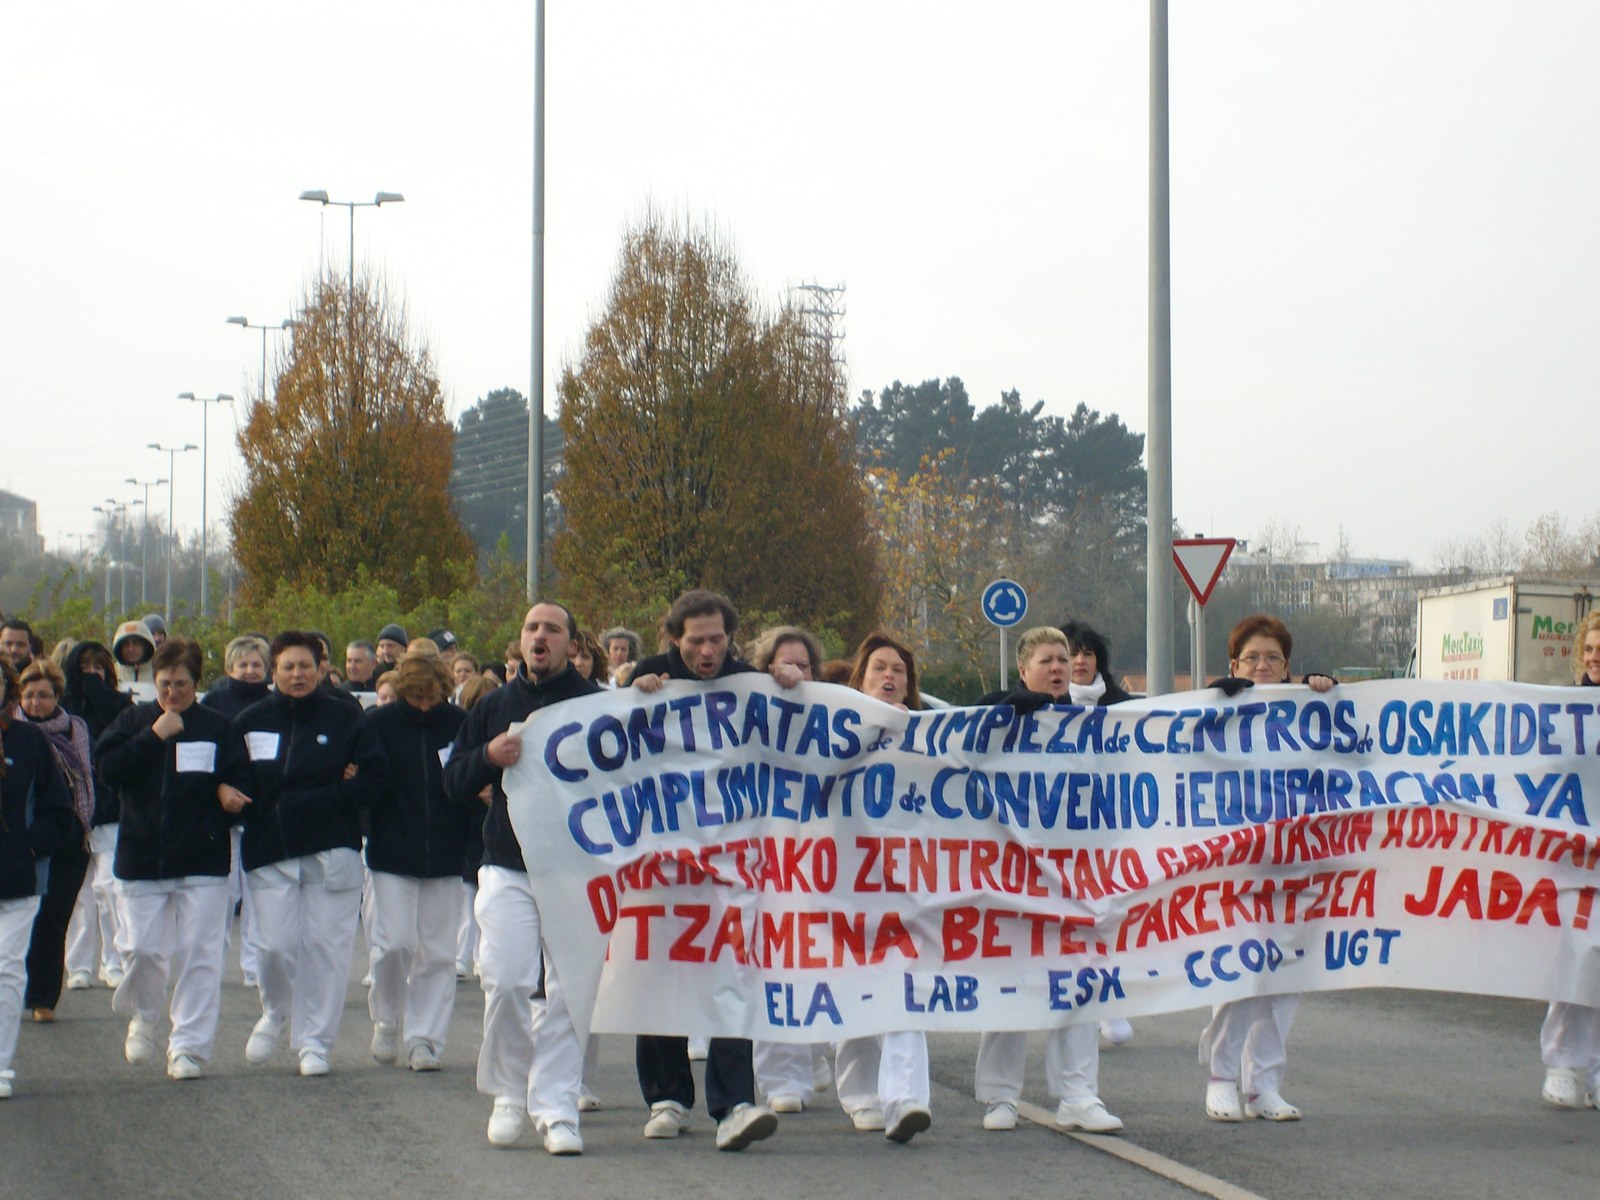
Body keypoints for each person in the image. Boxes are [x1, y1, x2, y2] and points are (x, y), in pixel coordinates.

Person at [629, 590, 785, 1151]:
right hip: (662, 860)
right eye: (696, 641)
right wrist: (632, 696)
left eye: (717, 639)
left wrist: (792, 686)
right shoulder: (649, 679)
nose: (707, 651)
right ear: (674, 638)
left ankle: (734, 1103)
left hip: (732, 858)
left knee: (734, 971)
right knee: (661, 967)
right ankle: (667, 1097)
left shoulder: (750, 685)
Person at [444, 602, 599, 1156]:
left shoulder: (598, 705)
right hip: (507, 864)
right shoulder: (494, 706)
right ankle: (509, 1092)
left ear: (571, 645)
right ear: (521, 641)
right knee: (507, 980)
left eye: (553, 629)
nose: (541, 636)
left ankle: (556, 1106)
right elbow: (452, 781)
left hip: (576, 870)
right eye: (533, 628)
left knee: (567, 992)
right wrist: (487, 756)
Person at [973, 625, 1125, 1134]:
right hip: (1015, 878)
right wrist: (1009, 706)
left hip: (1078, 878)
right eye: (1047, 660)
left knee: (1080, 984)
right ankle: (1000, 1096)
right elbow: (958, 731)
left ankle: (1078, 1095)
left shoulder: (1095, 722)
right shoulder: (1002, 718)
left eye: (1063, 659)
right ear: (1023, 670)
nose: (1059, 667)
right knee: (1011, 984)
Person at [232, 630, 388, 1077]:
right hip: (271, 847)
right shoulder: (250, 721)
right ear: (274, 671)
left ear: (320, 669)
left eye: (305, 666)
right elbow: (234, 777)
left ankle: (315, 1042)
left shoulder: (346, 716)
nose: (297, 674)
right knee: (274, 947)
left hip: (332, 847)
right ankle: (276, 1011)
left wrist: (335, 798)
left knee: (326, 950)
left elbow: (374, 778)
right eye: (288, 667)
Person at [1199, 614, 1334, 1122]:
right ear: (1234, 664)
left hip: (1297, 867)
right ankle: (1221, 1078)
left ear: (1287, 666)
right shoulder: (1216, 710)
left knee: (1285, 979)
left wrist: (1325, 693)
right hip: (1237, 868)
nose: (1261, 665)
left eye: (1272, 658)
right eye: (1251, 657)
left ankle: (1264, 1086)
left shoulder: (1309, 712)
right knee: (1240, 972)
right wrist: (1214, 703)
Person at [96, 638, 249, 1080]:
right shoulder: (133, 720)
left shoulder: (218, 726)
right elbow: (107, 770)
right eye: (164, 684)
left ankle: (188, 1047)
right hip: (142, 855)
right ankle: (145, 1014)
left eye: (181, 684)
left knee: (200, 954)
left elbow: (241, 778)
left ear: (196, 683)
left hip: (201, 857)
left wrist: (226, 796)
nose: (172, 693)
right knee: (142, 949)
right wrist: (153, 736)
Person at [831, 632, 934, 1143]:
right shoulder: (832, 731)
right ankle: (860, 1094)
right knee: (856, 983)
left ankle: (906, 1098)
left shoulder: (931, 736)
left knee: (904, 983)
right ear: (861, 677)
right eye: (879, 668)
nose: (889, 676)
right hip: (844, 881)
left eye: (898, 670)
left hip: (908, 884)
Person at [363, 650, 471, 1074]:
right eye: (417, 698)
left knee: (438, 953)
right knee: (394, 944)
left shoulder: (459, 724)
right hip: (392, 849)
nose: (425, 706)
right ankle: (387, 1017)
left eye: (432, 697)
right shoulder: (380, 724)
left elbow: (470, 779)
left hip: (446, 851)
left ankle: (425, 1038)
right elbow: (370, 782)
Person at [745, 625, 834, 1112]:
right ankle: (781, 1077)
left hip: (818, 858)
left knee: (816, 958)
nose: (795, 673)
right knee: (772, 959)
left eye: (804, 664)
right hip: (765, 858)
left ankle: (812, 1049)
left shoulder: (834, 713)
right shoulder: (746, 712)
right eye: (785, 663)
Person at [0, 657, 76, 1100]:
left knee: (7, 968)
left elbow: (58, 810)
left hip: (17, 879)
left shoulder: (29, 741)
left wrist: (30, 847)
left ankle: (1, 1064)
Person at [1539, 610, 1600, 1109]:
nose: (1595, 659)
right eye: (1590, 650)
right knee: (1576, 956)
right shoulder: (1563, 714)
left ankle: (1597, 1070)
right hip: (1576, 856)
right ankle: (1562, 1064)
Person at [14, 660, 93, 1024]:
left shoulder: (75, 728)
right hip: (22, 837)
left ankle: (43, 998)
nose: (35, 702)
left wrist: (84, 825)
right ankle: (15, 988)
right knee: (20, 920)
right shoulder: (12, 731)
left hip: (68, 836)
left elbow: (86, 778)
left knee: (53, 921)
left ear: (57, 696)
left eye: (44, 695)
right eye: (29, 695)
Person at [58, 641, 131, 990]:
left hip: (112, 810)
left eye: (99, 667)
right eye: (85, 668)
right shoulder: (64, 710)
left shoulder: (119, 707)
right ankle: (79, 964)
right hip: (74, 812)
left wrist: (100, 694)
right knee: (81, 896)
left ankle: (112, 960)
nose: (92, 675)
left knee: (110, 889)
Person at [200, 635, 272, 987]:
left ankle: (255, 966)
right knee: (223, 895)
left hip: (261, 811)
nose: (250, 670)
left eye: (257, 664)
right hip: (223, 811)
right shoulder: (214, 702)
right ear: (229, 668)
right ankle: (213, 963)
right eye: (243, 664)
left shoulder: (274, 703)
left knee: (259, 895)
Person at [112, 619, 158, 686]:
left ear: (146, 646)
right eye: (126, 644)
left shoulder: (159, 672)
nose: (130, 649)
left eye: (136, 643)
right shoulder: (112, 672)